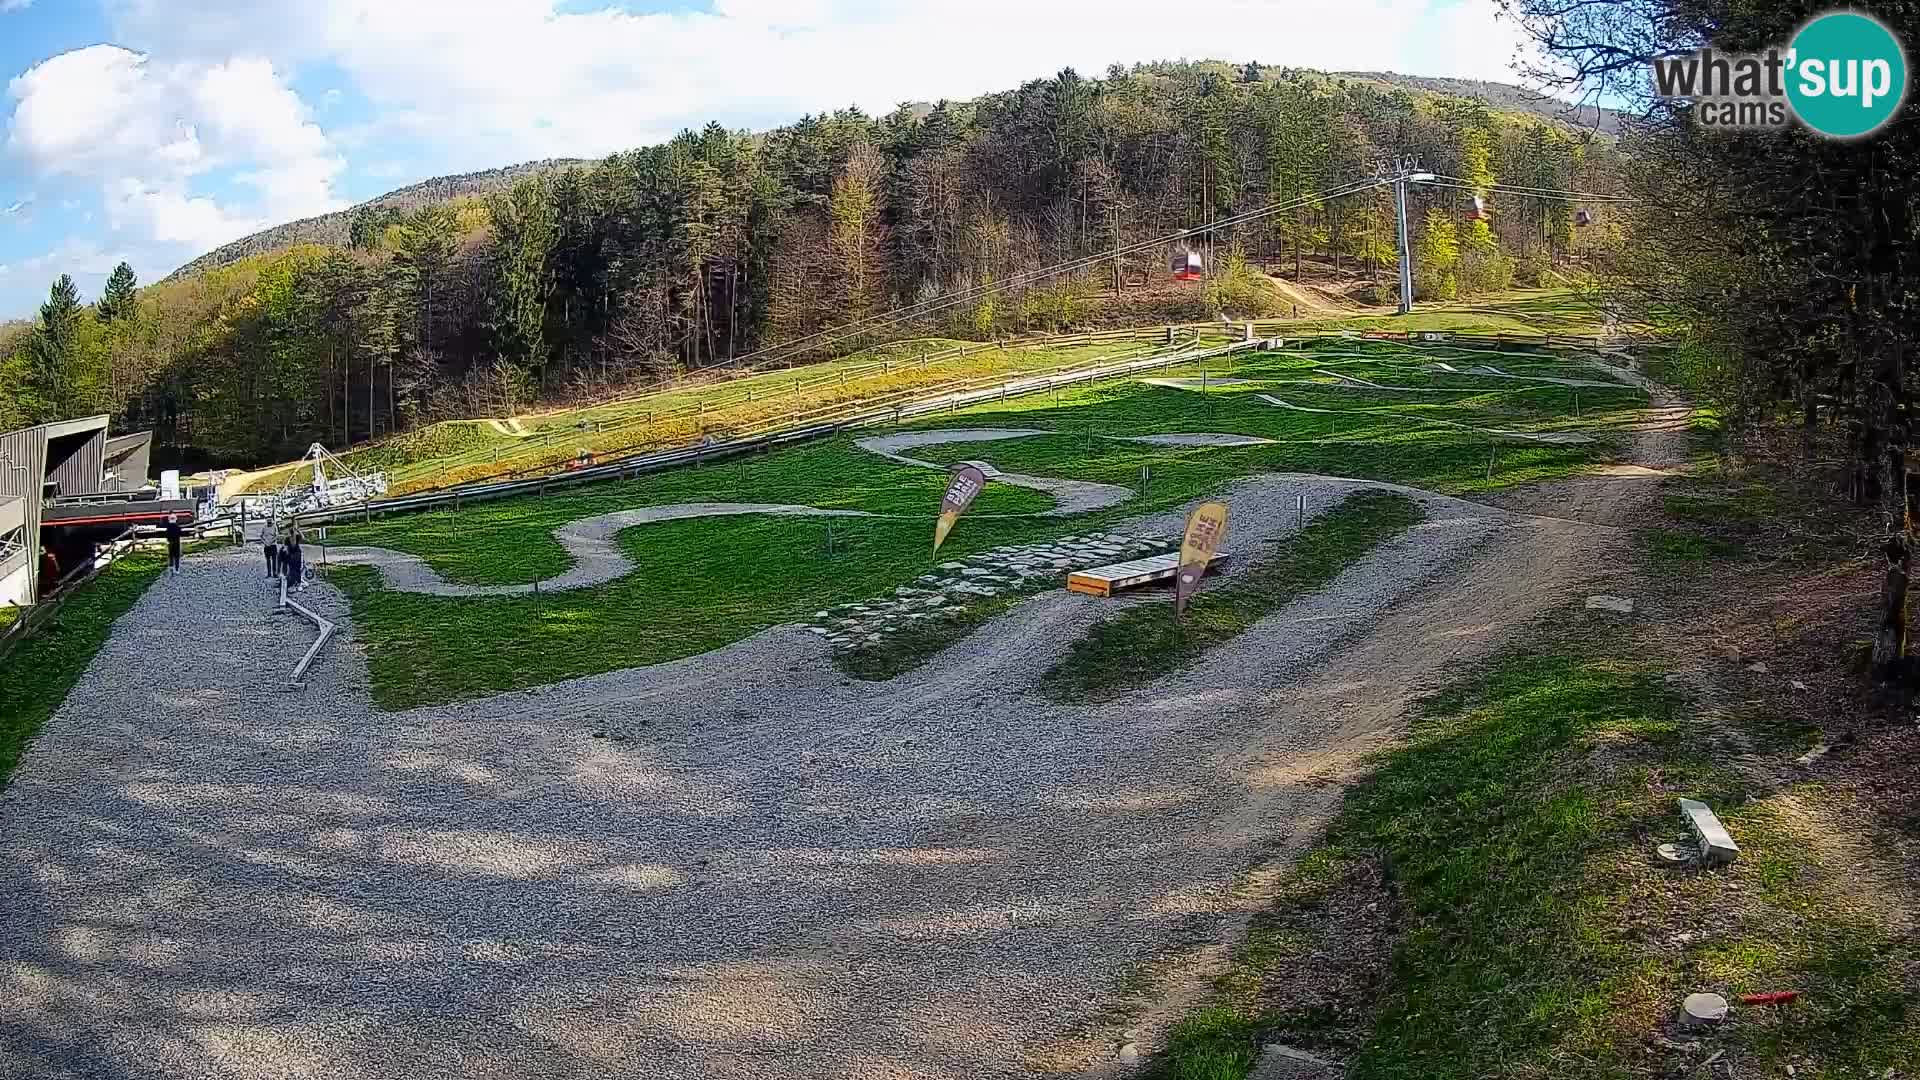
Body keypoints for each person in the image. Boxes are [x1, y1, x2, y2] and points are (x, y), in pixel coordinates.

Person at [283, 526, 304, 591]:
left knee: (297, 569)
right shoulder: (287, 538)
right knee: (292, 569)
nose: (292, 533)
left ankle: (298, 583)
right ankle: (293, 583)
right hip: (291, 555)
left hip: (297, 554)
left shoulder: (297, 537)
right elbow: (285, 547)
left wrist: (298, 530)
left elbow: (302, 537)